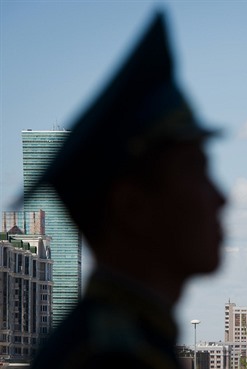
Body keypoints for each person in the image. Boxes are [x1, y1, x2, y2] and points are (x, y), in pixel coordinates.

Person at [30, 11, 226, 369]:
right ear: (132, 206)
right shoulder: (114, 357)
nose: (222, 198)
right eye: (196, 171)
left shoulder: (122, 341)